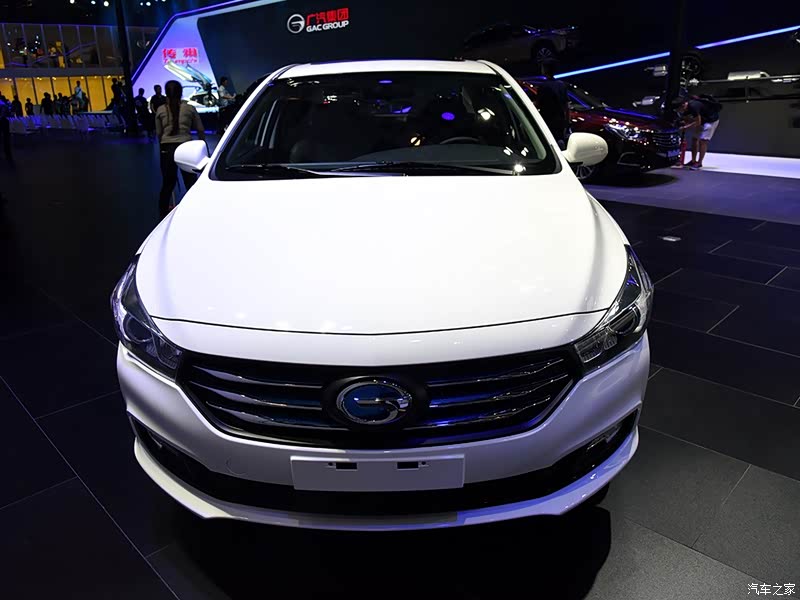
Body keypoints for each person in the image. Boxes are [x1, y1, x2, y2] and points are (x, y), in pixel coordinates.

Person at [155, 80, 205, 218]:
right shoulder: (190, 108)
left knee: (167, 184)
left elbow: (159, 133)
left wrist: (163, 146)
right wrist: (203, 146)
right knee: (191, 183)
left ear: (166, 93)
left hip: (167, 148)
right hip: (186, 147)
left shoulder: (160, 110)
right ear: (181, 92)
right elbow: (200, 129)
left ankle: (163, 215)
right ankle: (196, 212)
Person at [672, 96, 721, 170]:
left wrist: (686, 127)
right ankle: (693, 161)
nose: (679, 111)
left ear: (683, 105)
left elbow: (698, 122)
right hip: (703, 120)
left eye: (679, 109)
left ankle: (699, 163)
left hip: (711, 121)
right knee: (694, 139)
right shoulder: (686, 109)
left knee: (703, 141)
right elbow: (690, 119)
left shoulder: (693, 106)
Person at [533, 58, 570, 148]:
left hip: (547, 121)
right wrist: (567, 122)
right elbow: (567, 106)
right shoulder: (562, 85)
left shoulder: (543, 86)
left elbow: (538, 104)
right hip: (560, 121)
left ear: (545, 69)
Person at [0, 94, 12, 163]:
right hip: (4, 121)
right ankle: (7, 152)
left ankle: (6, 152)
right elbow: (8, 111)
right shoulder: (3, 103)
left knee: (5, 138)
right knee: (6, 138)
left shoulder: (2, 103)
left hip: (3, 121)